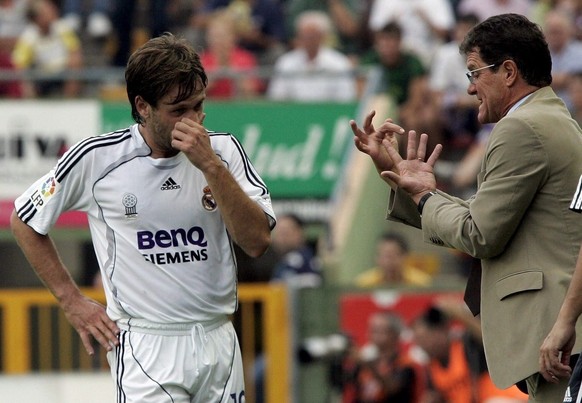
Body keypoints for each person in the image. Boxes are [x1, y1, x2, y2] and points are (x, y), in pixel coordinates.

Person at [10, 33, 275, 402]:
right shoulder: (97, 159)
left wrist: (211, 167)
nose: (194, 120)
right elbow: (23, 219)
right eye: (179, 110)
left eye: (199, 106)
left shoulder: (224, 152)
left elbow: (258, 241)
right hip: (148, 346)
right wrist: (72, 301)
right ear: (143, 106)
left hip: (219, 341)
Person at [350, 13, 582, 401]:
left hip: (557, 339)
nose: (470, 88)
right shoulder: (554, 120)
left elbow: (479, 233)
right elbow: (485, 222)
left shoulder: (520, 128)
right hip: (560, 339)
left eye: (474, 73)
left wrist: (424, 197)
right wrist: (414, 187)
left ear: (508, 72)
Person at [412, 301, 527, 402]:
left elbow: (492, 342)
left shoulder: (466, 344)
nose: (422, 345)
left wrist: (459, 314)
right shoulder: (431, 369)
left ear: (442, 331)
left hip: (505, 398)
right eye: (417, 340)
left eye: (424, 338)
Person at [266, 10, 357, 102]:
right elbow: (277, 99)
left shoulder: (339, 63)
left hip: (329, 113)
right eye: (305, 36)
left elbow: (346, 99)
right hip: (293, 114)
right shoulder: (285, 62)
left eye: (313, 36)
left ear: (323, 36)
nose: (309, 41)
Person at [342, 311, 421, 402]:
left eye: (379, 330)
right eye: (372, 330)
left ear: (395, 334)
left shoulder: (406, 363)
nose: (373, 335)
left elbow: (393, 388)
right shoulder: (367, 364)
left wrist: (366, 364)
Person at [11, 0, 84, 98]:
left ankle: (70, 101)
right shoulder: (28, 37)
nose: (53, 12)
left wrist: (72, 65)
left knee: (75, 63)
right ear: (38, 18)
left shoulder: (62, 28)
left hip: (64, 72)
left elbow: (75, 51)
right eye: (48, 12)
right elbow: (18, 63)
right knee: (24, 79)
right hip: (42, 76)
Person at [200, 11, 262, 99]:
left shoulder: (245, 58)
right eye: (213, 36)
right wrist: (218, 72)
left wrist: (231, 68)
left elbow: (251, 91)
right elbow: (195, 93)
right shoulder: (201, 60)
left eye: (221, 36)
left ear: (234, 37)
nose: (217, 40)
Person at [355, 231, 432, 288]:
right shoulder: (364, 284)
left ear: (404, 256)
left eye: (390, 256)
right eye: (381, 256)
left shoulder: (422, 284)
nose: (386, 262)